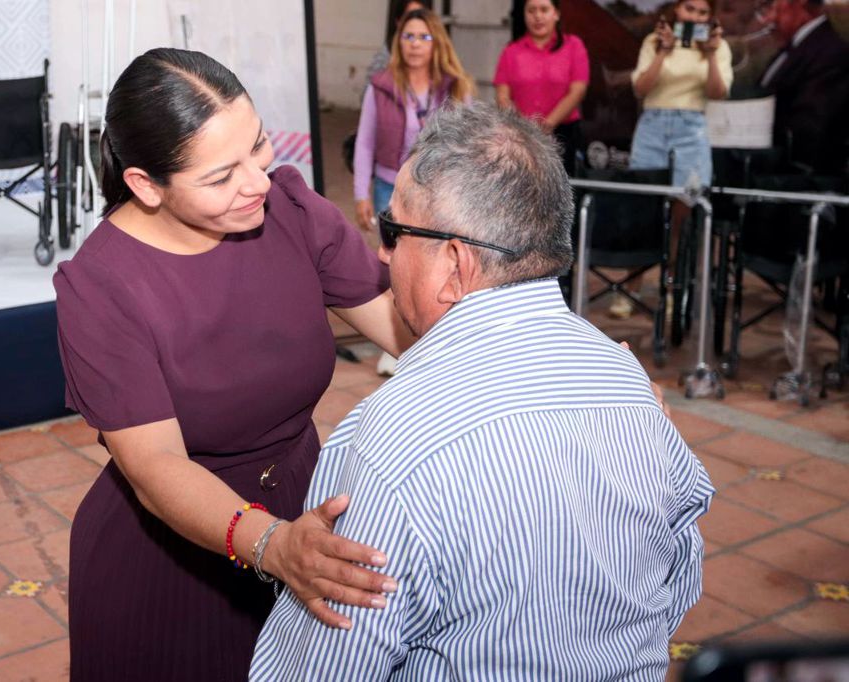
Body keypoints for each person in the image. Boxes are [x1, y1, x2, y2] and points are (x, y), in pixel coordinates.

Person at [251, 103, 713, 680]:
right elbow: (680, 574)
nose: (382, 254)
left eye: (394, 232)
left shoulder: (390, 442)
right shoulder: (629, 384)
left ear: (454, 263)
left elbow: (325, 666)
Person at [53, 49, 409, 681]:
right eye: (221, 177)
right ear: (145, 185)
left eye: (258, 146)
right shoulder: (102, 287)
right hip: (170, 558)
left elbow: (409, 333)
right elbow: (156, 464)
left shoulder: (290, 211)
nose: (257, 183)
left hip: (303, 514)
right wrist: (273, 544)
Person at [353, 8, 474, 375]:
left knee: (435, 266)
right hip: (389, 187)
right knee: (393, 266)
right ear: (398, 42)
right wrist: (360, 193)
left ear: (436, 42)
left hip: (436, 190)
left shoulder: (455, 87)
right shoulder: (380, 86)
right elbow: (364, 142)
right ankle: (395, 345)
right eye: (408, 36)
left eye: (423, 37)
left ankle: (437, 340)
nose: (415, 44)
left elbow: (468, 145)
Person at [616, 0, 733, 319]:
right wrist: (663, 52)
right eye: (689, 9)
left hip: (692, 127)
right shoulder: (654, 41)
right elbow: (640, 88)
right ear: (677, 10)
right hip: (653, 125)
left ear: (710, 17)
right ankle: (631, 288)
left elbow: (718, 92)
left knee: (684, 211)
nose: (694, 16)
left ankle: (673, 288)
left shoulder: (718, 46)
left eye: (702, 12)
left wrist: (710, 54)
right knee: (643, 210)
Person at [493, 0, 590, 173]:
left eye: (544, 10)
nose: (537, 16)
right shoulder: (511, 51)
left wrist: (547, 125)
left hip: (564, 133)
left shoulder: (573, 46)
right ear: (524, 15)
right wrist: (522, 127)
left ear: (556, 14)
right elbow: (502, 96)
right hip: (522, 135)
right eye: (531, 11)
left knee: (563, 184)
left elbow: (578, 90)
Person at [758, 0, 849, 175]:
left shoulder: (830, 53)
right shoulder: (796, 47)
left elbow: (809, 129)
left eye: (772, 6)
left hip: (795, 174)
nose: (767, 19)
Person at [365, 0, 433, 86]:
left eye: (421, 16)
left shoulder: (438, 54)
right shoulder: (385, 60)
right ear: (398, 22)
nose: (415, 22)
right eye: (409, 17)